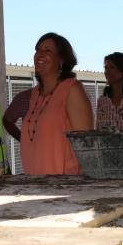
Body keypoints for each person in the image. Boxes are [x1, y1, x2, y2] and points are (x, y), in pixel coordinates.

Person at [21, 32, 94, 175]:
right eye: (38, 50)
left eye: (47, 50)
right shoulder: (35, 94)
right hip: (35, 185)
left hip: (66, 186)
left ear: (61, 59)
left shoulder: (72, 89)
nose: (40, 54)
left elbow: (87, 145)